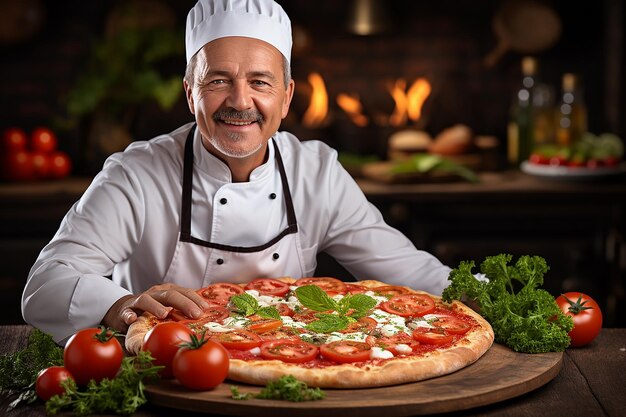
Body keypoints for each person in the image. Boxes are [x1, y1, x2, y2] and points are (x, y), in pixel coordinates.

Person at [22, 0, 451, 344]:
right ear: (191, 94)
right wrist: (122, 304)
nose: (240, 101)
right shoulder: (136, 175)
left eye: (261, 82)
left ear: (286, 99)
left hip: (288, 363)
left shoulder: (317, 174)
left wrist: (495, 295)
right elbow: (45, 284)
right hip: (172, 372)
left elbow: (411, 273)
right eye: (218, 81)